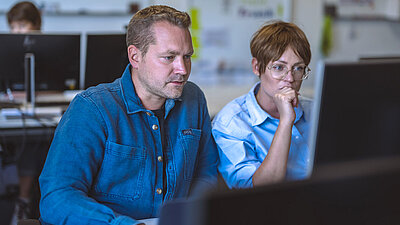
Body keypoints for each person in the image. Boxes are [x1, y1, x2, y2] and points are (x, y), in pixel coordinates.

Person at [39, 5, 218, 224]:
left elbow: (206, 174)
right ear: (135, 56)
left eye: (187, 56)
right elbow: (57, 197)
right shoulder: (92, 108)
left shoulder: (193, 99)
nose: (182, 69)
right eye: (169, 57)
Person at [212, 21, 313, 189]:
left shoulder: (315, 110)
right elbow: (256, 192)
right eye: (279, 67)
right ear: (257, 67)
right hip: (272, 211)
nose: (290, 79)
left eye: (298, 68)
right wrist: (286, 121)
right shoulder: (231, 123)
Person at [6, 1, 43, 224]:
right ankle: (23, 200)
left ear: (36, 25)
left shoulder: (50, 49)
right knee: (29, 138)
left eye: (22, 25)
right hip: (13, 110)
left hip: (43, 108)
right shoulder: (7, 49)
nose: (17, 32)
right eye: (13, 27)